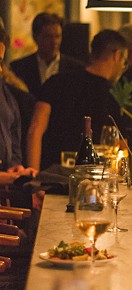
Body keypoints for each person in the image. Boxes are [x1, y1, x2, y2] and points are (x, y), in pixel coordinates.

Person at [26, 29, 130, 170]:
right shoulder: (113, 96)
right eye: (124, 61)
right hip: (91, 179)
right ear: (117, 55)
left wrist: (34, 175)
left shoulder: (56, 81)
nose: (122, 67)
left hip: (50, 174)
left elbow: (35, 130)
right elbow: (122, 150)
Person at [0, 27, 41, 210]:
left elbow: (13, 135)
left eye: (0, 61)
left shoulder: (6, 93)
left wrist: (16, 168)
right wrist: (8, 177)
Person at [10, 12, 84, 97]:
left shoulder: (76, 69)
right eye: (48, 37)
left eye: (57, 36)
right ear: (35, 37)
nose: (54, 42)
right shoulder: (19, 68)